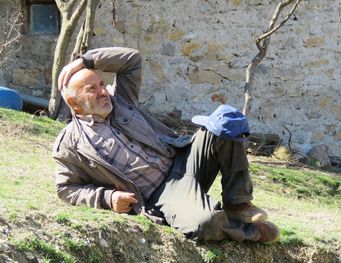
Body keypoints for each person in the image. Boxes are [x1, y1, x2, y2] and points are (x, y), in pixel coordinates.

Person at [53, 47, 280, 243]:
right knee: (204, 222)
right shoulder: (70, 143)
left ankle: (238, 203)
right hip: (162, 195)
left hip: (184, 160)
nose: (103, 91)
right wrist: (107, 198)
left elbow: (132, 59)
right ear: (73, 102)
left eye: (101, 83)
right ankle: (251, 232)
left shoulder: (121, 99)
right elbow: (66, 188)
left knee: (226, 121)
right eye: (91, 89)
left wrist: (85, 61)